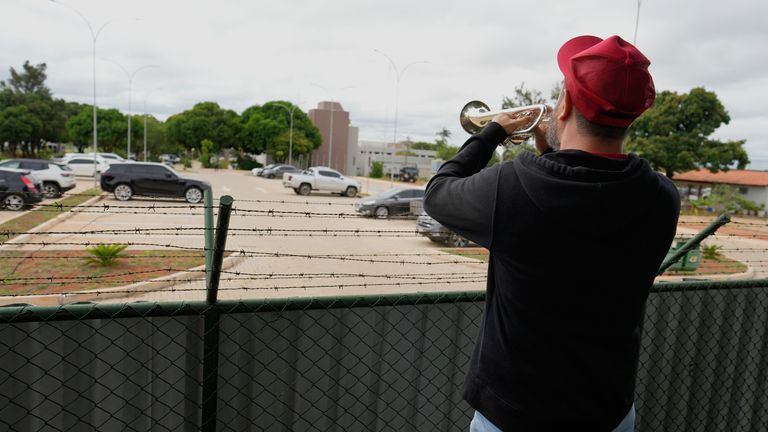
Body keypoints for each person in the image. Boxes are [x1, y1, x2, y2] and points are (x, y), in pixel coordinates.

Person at [423, 35, 680, 431]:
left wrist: (490, 133)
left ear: (568, 105)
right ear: (634, 114)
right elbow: (584, 207)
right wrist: (551, 155)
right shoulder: (663, 197)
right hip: (607, 412)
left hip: (512, 415)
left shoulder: (511, 187)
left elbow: (438, 194)